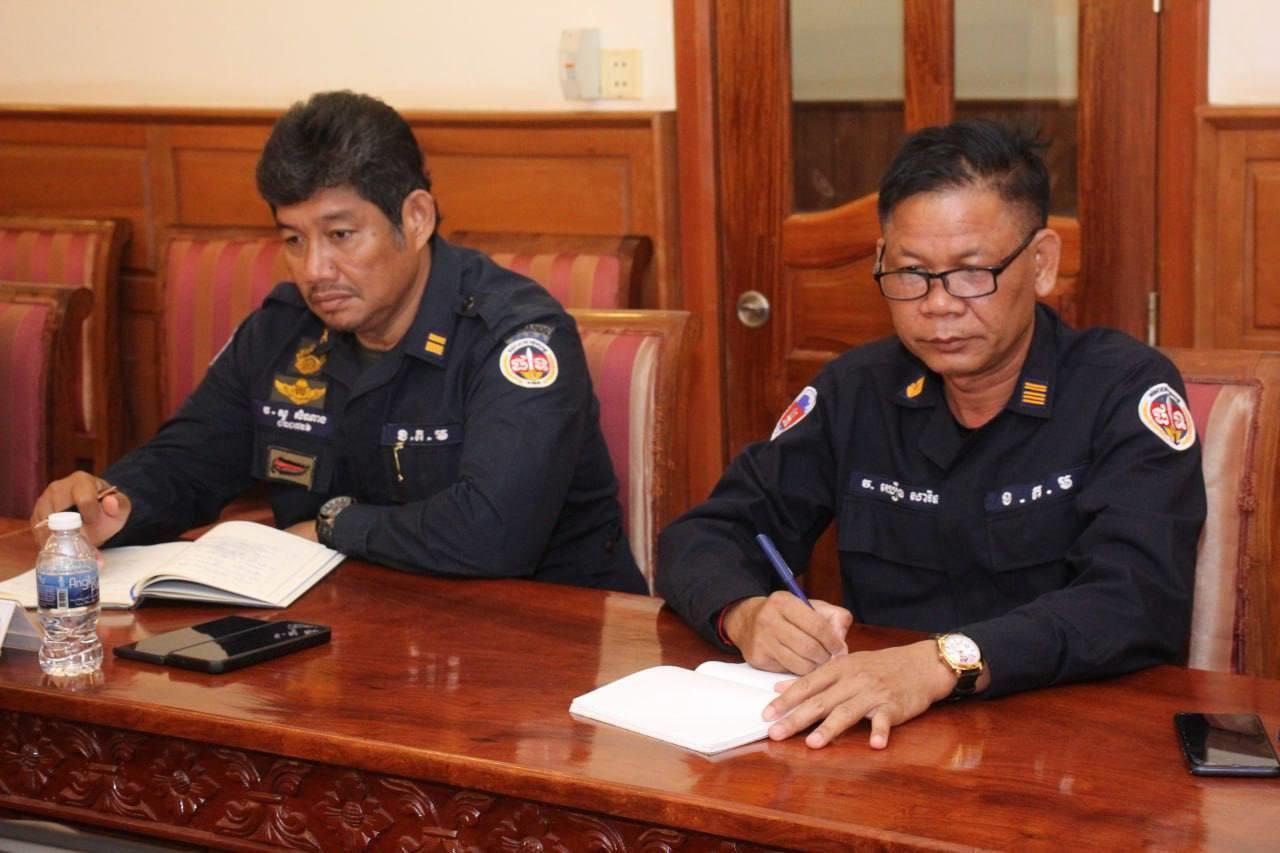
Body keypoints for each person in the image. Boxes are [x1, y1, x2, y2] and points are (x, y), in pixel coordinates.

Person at [657, 119, 1206, 749]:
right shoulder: (856, 390)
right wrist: (745, 613)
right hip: (876, 735)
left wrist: (944, 662)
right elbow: (705, 535)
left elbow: (1135, 600)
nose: (938, 304)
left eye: (972, 273)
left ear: (1042, 263)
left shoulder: (1122, 389)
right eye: (911, 273)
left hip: (1068, 742)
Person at [32, 90, 646, 594]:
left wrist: (332, 524)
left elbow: (494, 532)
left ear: (416, 218)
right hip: (344, 633)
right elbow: (189, 461)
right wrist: (112, 504)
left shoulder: (516, 337)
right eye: (293, 240)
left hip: (538, 646)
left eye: (341, 235)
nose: (314, 270)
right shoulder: (283, 329)